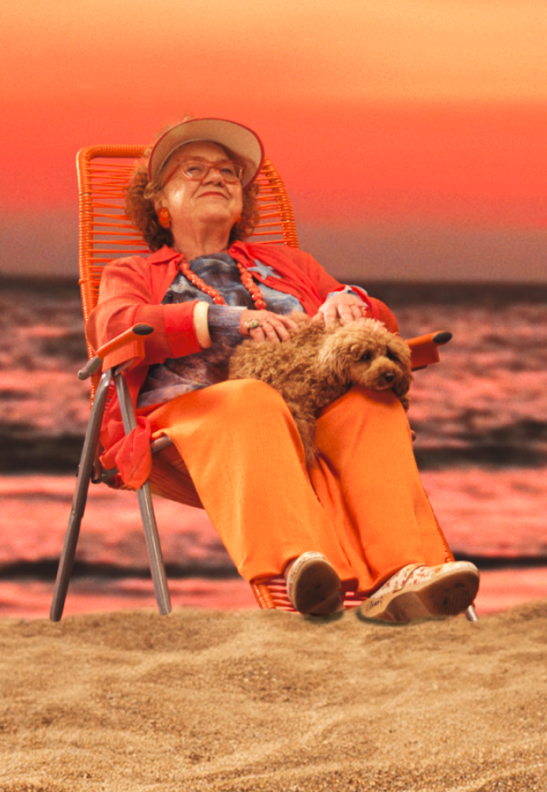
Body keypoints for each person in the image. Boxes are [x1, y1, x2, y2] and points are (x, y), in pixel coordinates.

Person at [90, 117, 479, 623]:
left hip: (309, 419)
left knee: (371, 405)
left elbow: (381, 323)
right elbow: (115, 329)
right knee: (250, 397)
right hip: (192, 427)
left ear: (242, 205)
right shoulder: (134, 273)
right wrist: (222, 319)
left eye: (230, 172)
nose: (218, 177)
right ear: (159, 205)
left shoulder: (289, 264)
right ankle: (304, 566)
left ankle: (403, 573)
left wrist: (349, 300)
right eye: (194, 169)